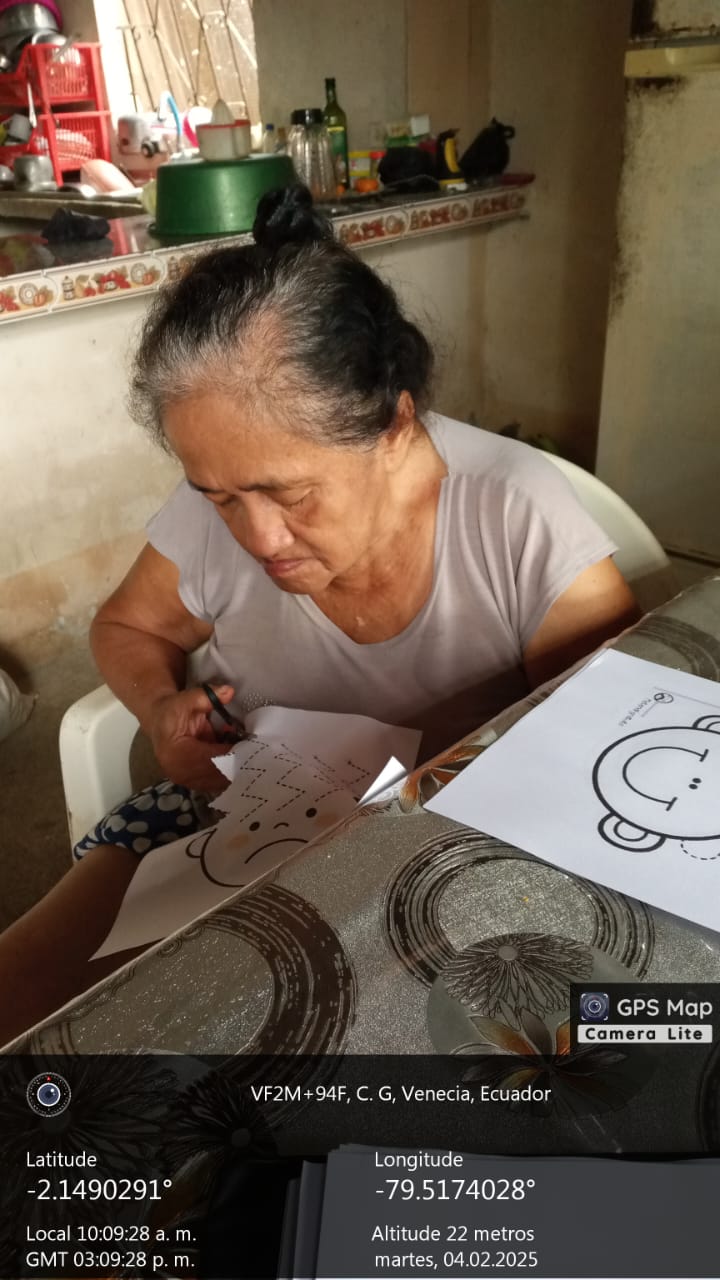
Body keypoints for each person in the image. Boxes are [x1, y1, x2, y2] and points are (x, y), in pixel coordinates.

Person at [0, 185, 639, 1045]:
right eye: (219, 497)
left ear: (395, 426)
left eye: (291, 494)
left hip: (445, 855)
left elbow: (605, 759)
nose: (258, 537)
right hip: (231, 820)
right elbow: (128, 627)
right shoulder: (222, 502)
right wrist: (158, 710)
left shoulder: (517, 519)